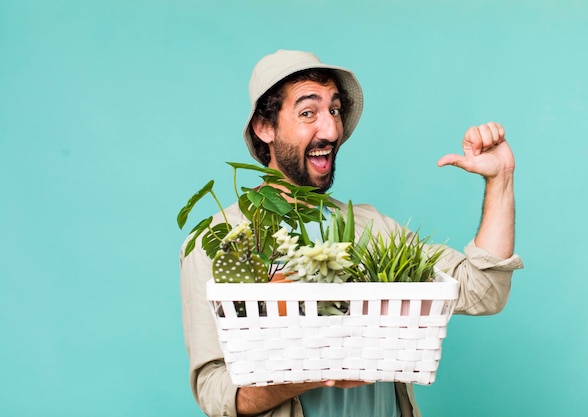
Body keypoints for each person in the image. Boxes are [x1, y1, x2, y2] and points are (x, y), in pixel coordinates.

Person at [180, 49, 523, 417]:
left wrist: (500, 178)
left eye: (334, 110)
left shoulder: (371, 228)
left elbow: (483, 290)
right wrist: (315, 369)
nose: (330, 129)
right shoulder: (221, 241)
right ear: (265, 127)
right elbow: (216, 394)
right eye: (308, 112)